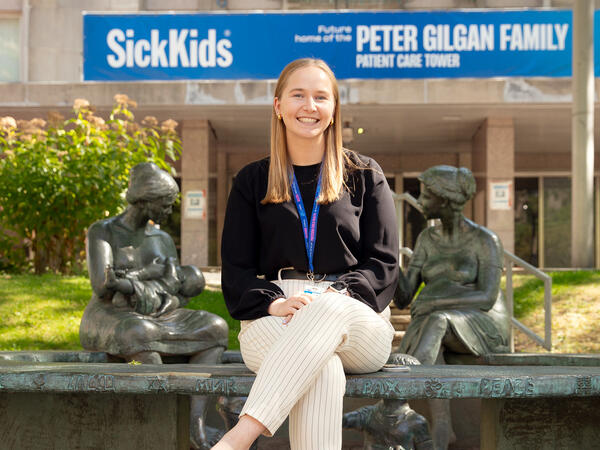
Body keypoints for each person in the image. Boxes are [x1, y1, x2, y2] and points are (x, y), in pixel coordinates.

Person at [214, 58, 399, 450]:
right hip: (276, 312)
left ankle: (238, 438)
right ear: (278, 106)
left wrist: (337, 295)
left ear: (333, 111)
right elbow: (236, 270)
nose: (309, 106)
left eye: (320, 97)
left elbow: (384, 263)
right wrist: (273, 303)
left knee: (326, 312)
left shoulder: (365, 175)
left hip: (354, 314)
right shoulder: (252, 180)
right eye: (298, 95)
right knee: (323, 369)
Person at [80, 162, 229, 449]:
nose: (169, 211)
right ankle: (160, 426)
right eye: (165, 204)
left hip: (161, 313)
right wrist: (142, 285)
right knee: (138, 332)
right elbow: (102, 285)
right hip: (112, 314)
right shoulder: (103, 231)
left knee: (215, 327)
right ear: (146, 201)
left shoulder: (161, 239)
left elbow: (176, 287)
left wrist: (165, 297)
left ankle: (193, 423)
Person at [396, 165, 510, 450]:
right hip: (441, 322)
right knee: (435, 323)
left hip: (485, 323)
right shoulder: (426, 240)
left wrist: (434, 302)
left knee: (436, 320)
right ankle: (442, 426)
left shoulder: (485, 240)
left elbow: (486, 296)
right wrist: (386, 254)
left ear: (445, 200)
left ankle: (398, 400)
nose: (420, 202)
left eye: (426, 197)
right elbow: (404, 297)